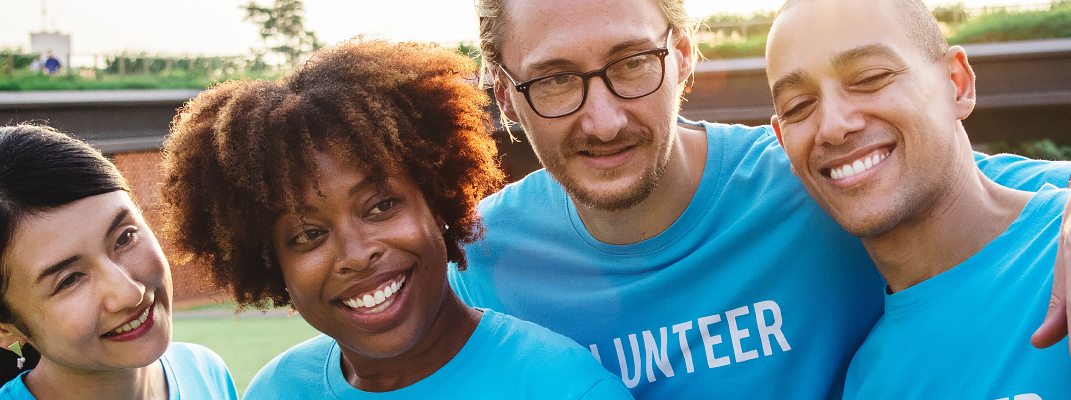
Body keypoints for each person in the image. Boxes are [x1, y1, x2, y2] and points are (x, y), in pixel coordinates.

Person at [448, 0, 1071, 398]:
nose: (604, 120)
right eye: (555, 80)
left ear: (684, 55)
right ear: (505, 95)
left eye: (633, 62)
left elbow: (985, 195)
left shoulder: (815, 179)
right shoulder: (478, 263)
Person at [160, 39, 634, 399]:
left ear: (439, 200)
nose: (356, 253)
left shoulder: (565, 387)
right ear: (270, 265)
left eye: (381, 206)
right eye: (308, 235)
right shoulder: (278, 390)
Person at [765, 0, 1071, 398]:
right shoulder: (868, 385)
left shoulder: (1058, 252)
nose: (834, 126)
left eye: (871, 77)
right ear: (783, 142)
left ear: (957, 84)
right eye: (798, 106)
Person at [0, 124, 238, 400]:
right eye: (70, 279)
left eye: (125, 238)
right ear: (5, 328)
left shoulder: (205, 371)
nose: (130, 293)